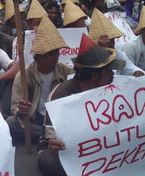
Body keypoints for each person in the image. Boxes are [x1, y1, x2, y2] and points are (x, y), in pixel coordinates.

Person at [38, 34, 125, 176]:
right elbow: (53, 140)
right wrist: (55, 145)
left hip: (97, 145)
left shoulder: (110, 88)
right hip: (68, 149)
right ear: (94, 76)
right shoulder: (60, 96)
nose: (112, 74)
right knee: (48, 160)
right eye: (108, 71)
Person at [7, 18, 73, 142]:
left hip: (57, 119)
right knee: (11, 123)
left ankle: (48, 136)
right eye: (50, 54)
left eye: (56, 52)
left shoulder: (66, 72)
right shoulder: (24, 75)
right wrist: (21, 110)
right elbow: (15, 107)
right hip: (36, 119)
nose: (55, 57)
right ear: (39, 56)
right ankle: (48, 136)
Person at [89, 8, 145, 76]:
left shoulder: (118, 54)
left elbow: (129, 67)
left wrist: (137, 72)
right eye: (107, 42)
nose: (112, 44)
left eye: (113, 40)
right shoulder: (88, 59)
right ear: (97, 44)